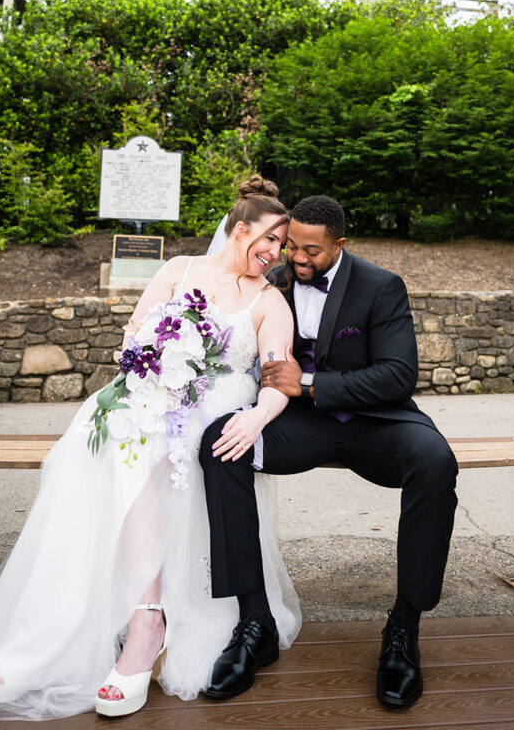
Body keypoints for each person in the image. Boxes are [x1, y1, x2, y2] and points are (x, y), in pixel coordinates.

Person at [0, 176, 301, 720]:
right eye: (272, 239)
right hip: (153, 393)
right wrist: (158, 366)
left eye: (282, 246)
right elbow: (134, 338)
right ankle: (84, 615)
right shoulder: (177, 271)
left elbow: (278, 380)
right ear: (241, 228)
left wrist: (256, 418)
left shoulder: (270, 302)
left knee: (157, 450)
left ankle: (148, 622)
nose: (277, 254)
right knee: (110, 438)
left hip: (219, 409)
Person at [200, 195, 458, 710]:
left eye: (311, 250)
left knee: (435, 461)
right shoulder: (273, 286)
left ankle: (403, 631)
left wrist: (312, 383)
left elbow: (398, 374)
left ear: (340, 244)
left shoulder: (380, 287)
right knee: (220, 445)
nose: (296, 257)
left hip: (375, 424)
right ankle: (255, 624)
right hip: (301, 426)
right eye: (290, 244)